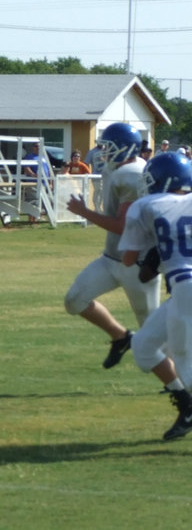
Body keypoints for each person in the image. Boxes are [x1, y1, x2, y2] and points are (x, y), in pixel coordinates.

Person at [64, 122, 158, 369]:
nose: (103, 152)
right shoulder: (116, 168)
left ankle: (179, 384)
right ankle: (121, 337)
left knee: (154, 336)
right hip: (112, 257)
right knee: (74, 300)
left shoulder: (133, 175)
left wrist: (84, 212)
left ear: (124, 148)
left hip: (138, 263)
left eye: (108, 147)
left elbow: (123, 226)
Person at [117, 152, 192, 440]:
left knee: (186, 366)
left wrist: (153, 253)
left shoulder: (146, 205)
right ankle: (187, 406)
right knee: (144, 345)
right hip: (181, 290)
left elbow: (128, 260)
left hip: (186, 286)